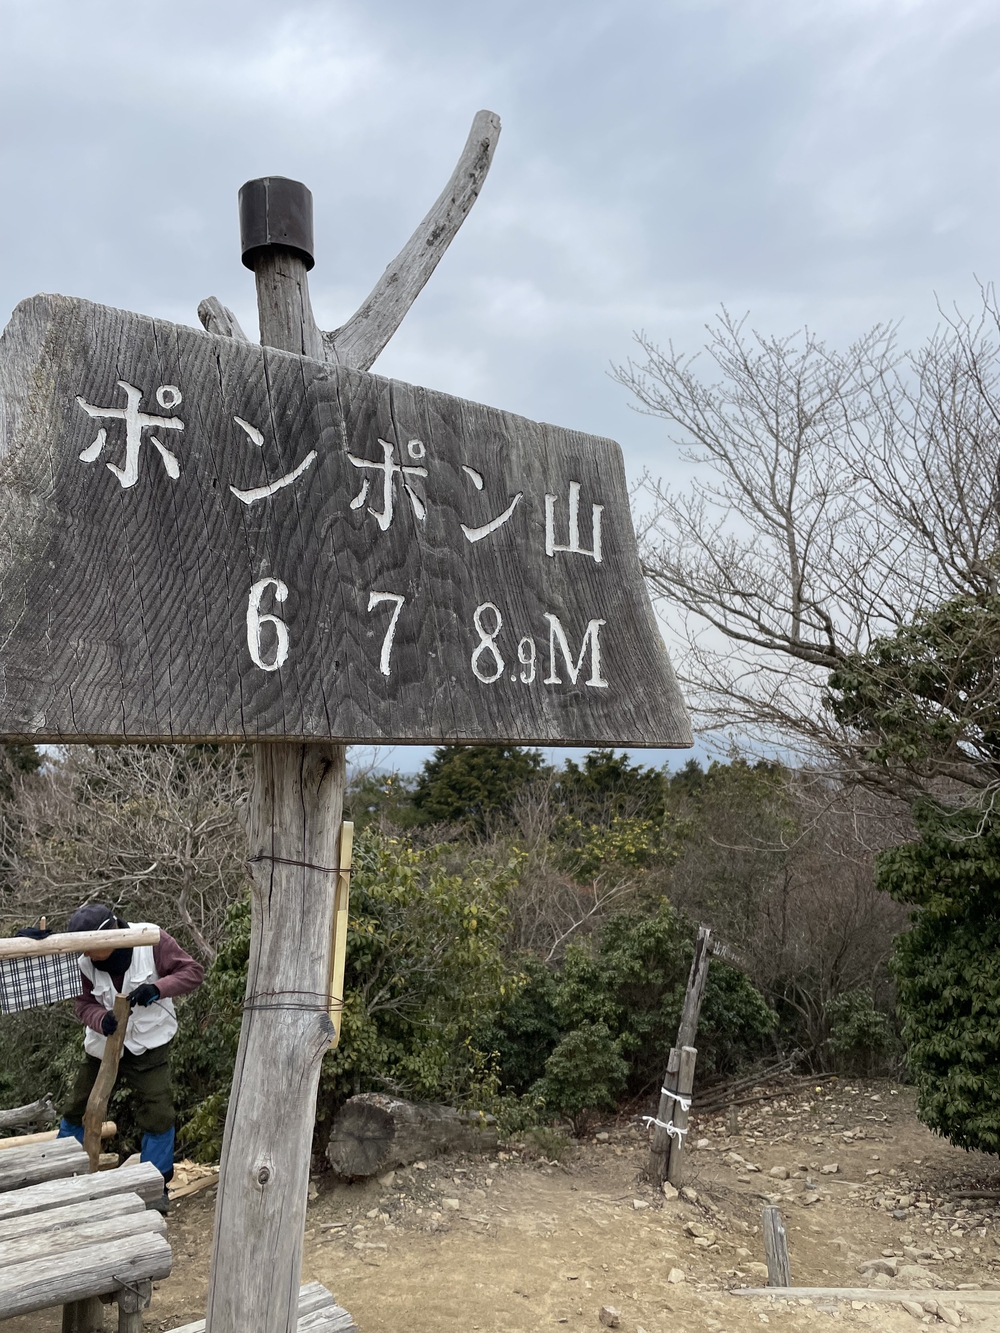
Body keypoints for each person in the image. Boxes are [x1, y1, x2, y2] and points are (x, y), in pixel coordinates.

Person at [57, 903, 204, 1213]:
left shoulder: (150, 940)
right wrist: (100, 1018)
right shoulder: (82, 963)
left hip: (149, 1043)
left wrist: (157, 988)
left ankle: (155, 1185)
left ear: (111, 934)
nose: (86, 955)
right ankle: (60, 1174)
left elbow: (192, 972)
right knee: (77, 1106)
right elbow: (83, 1004)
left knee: (158, 1110)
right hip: (102, 1047)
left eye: (91, 947)